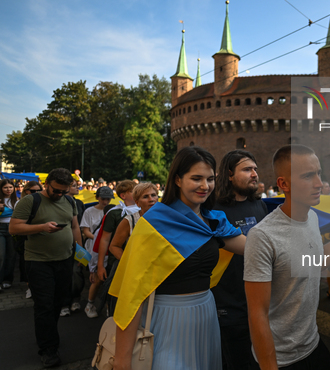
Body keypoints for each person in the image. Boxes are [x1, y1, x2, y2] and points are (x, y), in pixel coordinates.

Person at [110, 146, 247, 370]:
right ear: (177, 180)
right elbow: (132, 293)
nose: (205, 186)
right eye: (196, 178)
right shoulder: (154, 223)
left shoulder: (213, 221)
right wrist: (122, 360)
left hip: (206, 314)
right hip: (167, 319)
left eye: (210, 179)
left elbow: (251, 248)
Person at [244, 144, 330, 370]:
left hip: (313, 345)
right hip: (281, 360)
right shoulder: (262, 236)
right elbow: (257, 314)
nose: (319, 183)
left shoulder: (312, 218)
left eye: (319, 173)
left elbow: (317, 261)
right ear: (284, 184)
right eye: (308, 176)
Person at [10, 168, 82, 368]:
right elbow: (14, 227)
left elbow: (74, 226)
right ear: (47, 184)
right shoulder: (31, 201)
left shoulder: (70, 201)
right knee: (44, 305)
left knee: (59, 302)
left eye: (63, 191)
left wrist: (79, 252)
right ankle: (48, 349)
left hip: (65, 259)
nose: (59, 195)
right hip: (38, 261)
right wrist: (42, 227)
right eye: (56, 190)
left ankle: (47, 335)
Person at [214, 149, 269, 370]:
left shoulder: (260, 205)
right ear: (229, 174)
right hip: (228, 303)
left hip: (259, 300)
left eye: (255, 169)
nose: (254, 174)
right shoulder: (214, 209)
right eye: (247, 169)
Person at [106, 183, 158, 314]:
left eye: (154, 195)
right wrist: (129, 263)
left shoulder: (165, 219)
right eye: (145, 197)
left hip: (158, 272)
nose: (151, 199)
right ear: (137, 202)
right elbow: (114, 246)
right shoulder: (130, 220)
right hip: (136, 274)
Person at [80, 186, 114, 318]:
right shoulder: (89, 211)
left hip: (106, 247)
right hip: (94, 247)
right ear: (97, 198)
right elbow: (86, 231)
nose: (105, 202)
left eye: (108, 199)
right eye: (103, 199)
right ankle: (90, 304)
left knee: (106, 278)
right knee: (96, 278)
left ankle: (106, 306)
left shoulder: (112, 210)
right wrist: (99, 239)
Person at [60, 179, 86, 316]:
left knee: (77, 272)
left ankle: (76, 299)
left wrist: (81, 248)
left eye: (77, 185)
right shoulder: (58, 203)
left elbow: (80, 225)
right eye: (74, 186)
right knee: (64, 273)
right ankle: (63, 303)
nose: (78, 188)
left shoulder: (80, 203)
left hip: (78, 241)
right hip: (62, 242)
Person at [16, 181, 43, 299]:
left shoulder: (44, 203)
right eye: (33, 191)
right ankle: (29, 287)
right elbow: (15, 226)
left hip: (40, 236)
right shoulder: (20, 203)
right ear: (26, 191)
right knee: (26, 262)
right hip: (25, 236)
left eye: (38, 191)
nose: (36, 193)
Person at [0, 179, 18, 291]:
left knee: (11, 255)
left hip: (12, 229)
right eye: (5, 187)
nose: (8, 190)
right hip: (0, 228)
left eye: (10, 187)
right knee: (1, 255)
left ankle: (8, 279)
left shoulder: (17, 201)